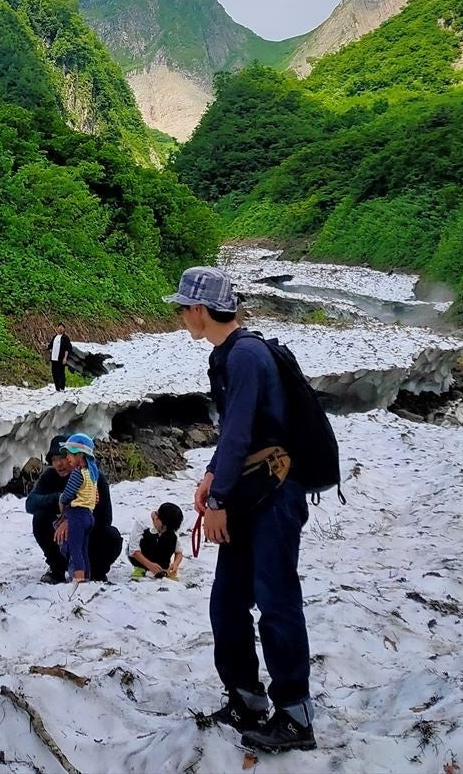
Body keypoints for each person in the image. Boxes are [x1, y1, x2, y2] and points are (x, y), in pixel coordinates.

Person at [171, 266, 316, 753]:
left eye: (182, 309)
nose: (180, 318)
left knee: (275, 602)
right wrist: (213, 477)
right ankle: (246, 698)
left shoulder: (246, 356)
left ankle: (295, 715)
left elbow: (238, 434)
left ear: (199, 310)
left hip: (273, 495)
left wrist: (216, 500)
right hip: (252, 490)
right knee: (228, 600)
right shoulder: (232, 353)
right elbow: (238, 432)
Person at [26, 435, 122, 583]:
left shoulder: (95, 478)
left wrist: (74, 521)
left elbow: (105, 518)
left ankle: (96, 571)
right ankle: (56, 568)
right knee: (40, 518)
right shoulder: (50, 477)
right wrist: (59, 500)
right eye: (54, 460)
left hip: (88, 536)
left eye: (63, 457)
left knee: (112, 536)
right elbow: (30, 504)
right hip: (60, 538)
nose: (58, 464)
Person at [58, 433, 100, 583]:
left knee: (75, 549)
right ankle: (86, 577)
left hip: (77, 515)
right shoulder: (93, 474)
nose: (67, 457)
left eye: (69, 453)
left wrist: (63, 501)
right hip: (89, 515)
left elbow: (67, 494)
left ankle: (79, 579)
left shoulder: (77, 474)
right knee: (84, 549)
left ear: (80, 454)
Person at [128, 502, 185, 579]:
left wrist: (175, 564)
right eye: (163, 528)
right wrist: (149, 565)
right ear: (157, 518)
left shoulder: (170, 526)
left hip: (161, 557)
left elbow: (179, 552)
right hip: (142, 555)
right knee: (149, 535)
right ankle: (140, 567)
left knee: (171, 537)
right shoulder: (142, 522)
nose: (163, 531)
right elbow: (133, 550)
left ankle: (164, 568)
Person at [47, 324, 72, 392]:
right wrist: (45, 346)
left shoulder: (65, 338)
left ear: (64, 329)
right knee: (54, 373)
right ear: (57, 328)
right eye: (59, 327)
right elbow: (50, 346)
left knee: (61, 373)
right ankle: (57, 388)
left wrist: (65, 358)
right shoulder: (54, 337)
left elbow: (68, 349)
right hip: (53, 358)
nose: (60, 328)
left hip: (61, 359)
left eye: (62, 327)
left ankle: (62, 388)